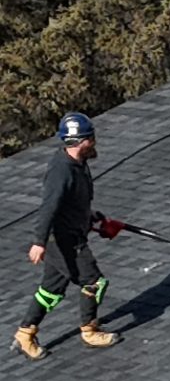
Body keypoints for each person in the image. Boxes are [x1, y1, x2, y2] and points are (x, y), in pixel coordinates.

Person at [14, 111, 116, 359]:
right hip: (63, 241)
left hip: (69, 235)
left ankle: (25, 333)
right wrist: (39, 242)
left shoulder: (78, 163)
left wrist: (88, 214)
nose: (95, 141)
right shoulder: (61, 171)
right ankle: (89, 330)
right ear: (81, 141)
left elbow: (70, 199)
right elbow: (49, 207)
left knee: (51, 290)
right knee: (94, 282)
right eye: (91, 137)